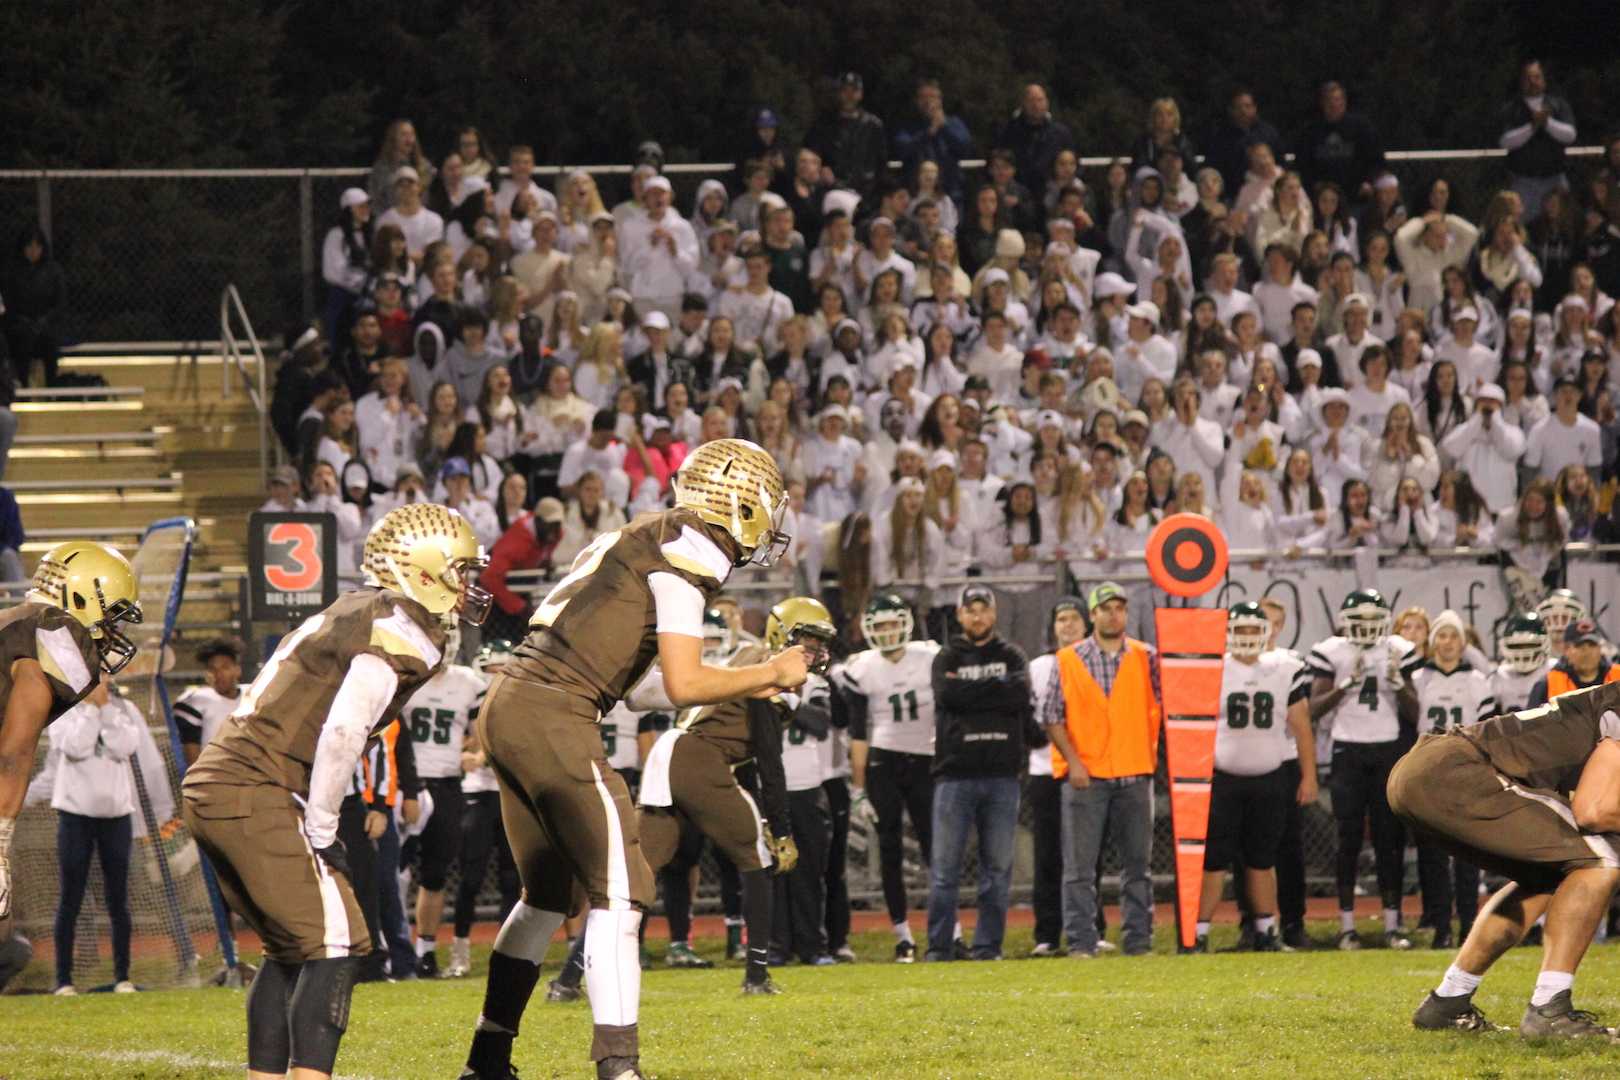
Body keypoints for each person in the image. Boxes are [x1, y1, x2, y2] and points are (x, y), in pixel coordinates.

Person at [459, 439, 807, 1080]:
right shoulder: (691, 551)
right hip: (553, 710)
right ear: (741, 505)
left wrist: (750, 680)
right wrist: (771, 668)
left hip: (514, 699)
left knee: (544, 897)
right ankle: (619, 1068)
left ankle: (488, 1058)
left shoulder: (647, 536)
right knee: (622, 890)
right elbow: (682, 686)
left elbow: (637, 683)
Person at [180, 505, 482, 1080]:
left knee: (291, 948)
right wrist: (322, 826)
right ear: (423, 571)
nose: (466, 584)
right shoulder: (396, 628)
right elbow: (344, 730)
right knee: (338, 943)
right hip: (257, 785)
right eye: (458, 570)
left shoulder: (358, 609)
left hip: (226, 785)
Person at [1392, 680, 1620, 1039]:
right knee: (1601, 860)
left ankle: (1448, 1001)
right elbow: (1592, 811)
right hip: (1456, 770)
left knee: (1549, 876)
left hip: (1424, 772)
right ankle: (1549, 1010)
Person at [639, 598, 834, 991]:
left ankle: (572, 976)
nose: (815, 654)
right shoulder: (768, 672)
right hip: (698, 758)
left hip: (669, 755)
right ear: (783, 637)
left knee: (638, 871)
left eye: (820, 646)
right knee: (757, 858)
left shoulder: (747, 655)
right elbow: (768, 761)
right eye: (808, 644)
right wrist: (780, 830)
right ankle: (757, 976)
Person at [0, 541, 142, 920]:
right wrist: (0, 839)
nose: (116, 630)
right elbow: (14, 753)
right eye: (113, 615)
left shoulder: (25, 621)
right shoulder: (52, 632)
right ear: (80, 597)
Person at [1043, 581, 1163, 957]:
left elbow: (1165, 707)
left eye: (1119, 608)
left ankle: (1139, 941)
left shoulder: (1148, 657)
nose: (1114, 615)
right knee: (1079, 870)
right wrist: (1074, 762)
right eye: (1106, 608)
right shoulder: (1068, 659)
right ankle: (1081, 942)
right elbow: (1051, 716)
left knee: (1138, 868)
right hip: (1087, 777)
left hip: (1133, 774)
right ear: (1091, 615)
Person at [1189, 603, 1316, 953]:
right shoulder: (1214, 669)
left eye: (1251, 629)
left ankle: (1265, 931)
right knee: (1213, 861)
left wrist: (1309, 776)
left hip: (1270, 777)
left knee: (1263, 859)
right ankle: (1197, 934)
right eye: (1240, 629)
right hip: (1222, 778)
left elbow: (1302, 727)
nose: (1246, 636)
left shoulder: (1284, 667)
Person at [924, 584, 1036, 962]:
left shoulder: (1013, 654)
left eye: (983, 609)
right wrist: (996, 689)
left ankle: (989, 947)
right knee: (944, 872)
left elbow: (1019, 695)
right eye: (970, 610)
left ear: (994, 614)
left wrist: (972, 689)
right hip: (954, 776)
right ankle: (939, 948)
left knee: (998, 870)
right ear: (959, 615)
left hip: (1002, 777)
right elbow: (949, 697)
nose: (977, 616)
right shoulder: (946, 657)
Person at [1308, 589, 1421, 950]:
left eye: (1375, 621)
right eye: (1361, 621)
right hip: (1348, 751)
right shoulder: (1331, 651)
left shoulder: (1399, 650)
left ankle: (1392, 923)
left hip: (1389, 750)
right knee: (1348, 840)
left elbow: (1419, 713)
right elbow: (1313, 709)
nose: (1368, 628)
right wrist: (1344, 686)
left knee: (1390, 839)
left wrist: (1399, 685)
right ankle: (1346, 926)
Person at [841, 594, 941, 962]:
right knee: (889, 849)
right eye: (879, 625)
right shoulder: (862, 667)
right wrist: (858, 785)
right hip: (884, 762)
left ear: (905, 623)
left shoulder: (929, 656)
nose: (886, 632)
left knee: (936, 849)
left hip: (927, 760)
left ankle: (948, 931)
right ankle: (902, 934)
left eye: (891, 623)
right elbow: (858, 732)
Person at [36, 680, 141, 994]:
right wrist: (93, 709)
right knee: (71, 899)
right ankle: (64, 980)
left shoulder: (120, 710)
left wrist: (105, 707)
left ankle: (123, 976)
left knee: (118, 900)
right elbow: (77, 747)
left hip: (117, 817)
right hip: (76, 816)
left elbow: (126, 745)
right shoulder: (63, 714)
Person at [1409, 610, 1498, 950]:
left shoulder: (1477, 680)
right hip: (1429, 773)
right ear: (1433, 643)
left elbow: (1489, 731)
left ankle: (1469, 927)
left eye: (1453, 636)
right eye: (1441, 636)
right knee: (1433, 855)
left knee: (1467, 857)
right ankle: (1441, 925)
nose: (1447, 643)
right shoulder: (1417, 678)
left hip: (1466, 773)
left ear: (1463, 642)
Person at [401, 650, 488, 978]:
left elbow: (483, 735)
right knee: (395, 871)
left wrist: (477, 755)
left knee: (435, 874)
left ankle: (424, 953)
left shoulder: (468, 682)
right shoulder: (405, 676)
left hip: (448, 785)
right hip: (408, 784)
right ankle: (388, 947)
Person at [1025, 596, 1087, 956]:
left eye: (1074, 619)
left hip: (1089, 769)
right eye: (1061, 619)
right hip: (1045, 768)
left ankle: (1090, 927)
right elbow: (1029, 717)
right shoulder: (1039, 667)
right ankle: (1046, 933)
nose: (1067, 625)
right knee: (1047, 855)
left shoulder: (1097, 662)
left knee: (1086, 856)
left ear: (1086, 624)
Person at [1500, 60, 1578, 225]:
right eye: (1528, 78)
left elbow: (1570, 135)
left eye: (1536, 77)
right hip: (1523, 182)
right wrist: (1533, 126)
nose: (1533, 82)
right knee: (1519, 227)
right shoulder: (1512, 108)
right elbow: (1506, 141)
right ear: (1521, 81)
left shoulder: (1558, 104)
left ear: (1544, 80)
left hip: (1555, 180)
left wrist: (1547, 122)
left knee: (1562, 224)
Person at [806, 72, 888, 198]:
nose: (849, 95)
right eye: (845, 90)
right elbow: (813, 154)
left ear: (860, 94)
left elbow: (881, 162)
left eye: (854, 91)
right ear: (839, 93)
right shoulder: (824, 124)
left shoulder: (873, 125)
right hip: (832, 190)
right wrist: (822, 169)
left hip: (866, 192)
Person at [892, 78, 973, 201]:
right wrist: (929, 132)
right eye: (923, 97)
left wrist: (944, 127)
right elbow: (902, 150)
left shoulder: (953, 123)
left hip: (949, 194)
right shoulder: (908, 126)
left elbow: (965, 149)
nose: (928, 101)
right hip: (916, 194)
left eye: (932, 97)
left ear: (940, 100)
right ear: (917, 101)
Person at [174, 637, 243, 766]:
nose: (219, 674)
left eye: (225, 667)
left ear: (237, 670)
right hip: (214, 777)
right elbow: (192, 757)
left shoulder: (254, 697)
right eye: (213, 669)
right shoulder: (197, 701)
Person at [996, 84, 1074, 198]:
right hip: (1016, 196)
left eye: (1040, 100)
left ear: (1047, 102)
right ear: (1023, 103)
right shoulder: (1007, 132)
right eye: (1031, 100)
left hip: (1051, 197)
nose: (1036, 105)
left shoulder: (1061, 134)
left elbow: (1075, 164)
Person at [1528, 619, 1620, 708]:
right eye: (1580, 646)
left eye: (1592, 645)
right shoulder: (1547, 684)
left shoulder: (1617, 675)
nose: (1587, 652)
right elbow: (1530, 722)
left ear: (1600, 649)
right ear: (1566, 650)